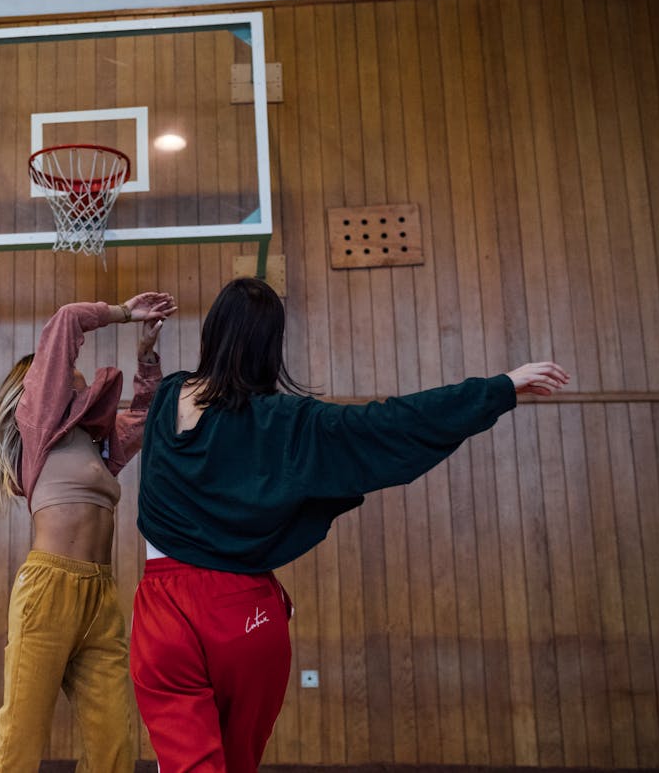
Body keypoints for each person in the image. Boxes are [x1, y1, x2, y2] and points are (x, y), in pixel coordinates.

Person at [129, 277, 569, 773]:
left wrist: (146, 354)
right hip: (245, 615)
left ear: (212, 332)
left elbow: (148, 414)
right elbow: (393, 423)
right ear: (272, 345)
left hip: (164, 612)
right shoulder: (290, 422)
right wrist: (499, 388)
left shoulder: (169, 396)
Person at [0, 292, 176, 773]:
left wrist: (146, 355)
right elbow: (67, 320)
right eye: (67, 370)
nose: (77, 374)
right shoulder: (40, 427)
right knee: (20, 742)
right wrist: (125, 313)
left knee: (112, 748)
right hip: (49, 590)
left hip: (100, 597)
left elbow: (145, 417)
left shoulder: (97, 444)